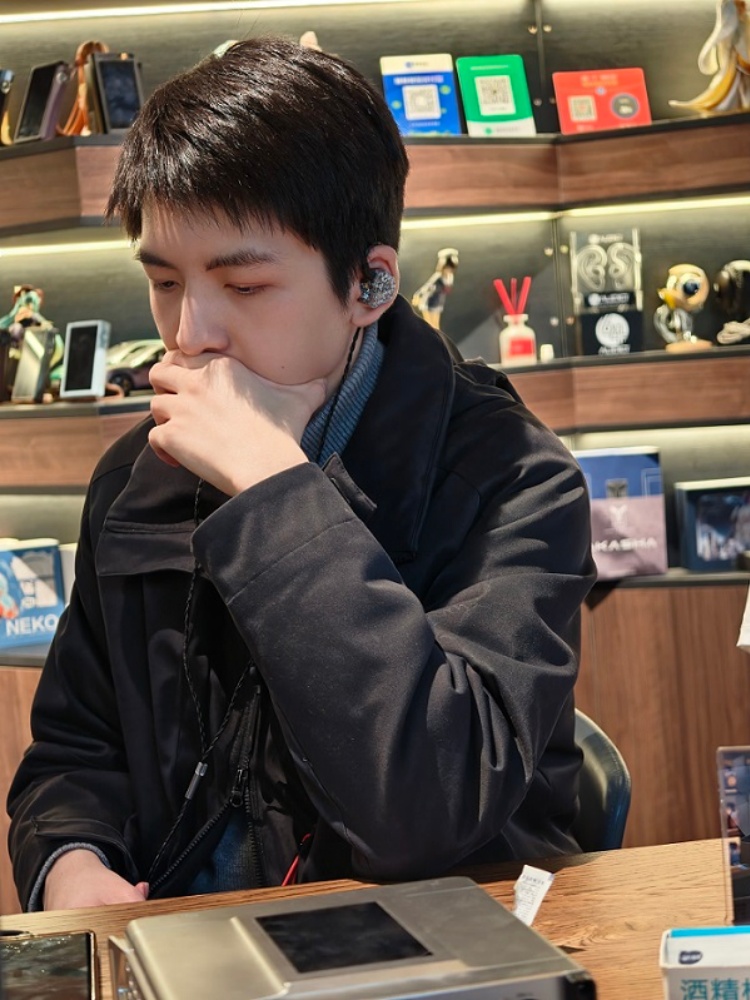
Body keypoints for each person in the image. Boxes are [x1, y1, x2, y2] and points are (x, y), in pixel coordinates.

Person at [7, 36, 595, 912]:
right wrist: (70, 862)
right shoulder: (138, 473)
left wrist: (274, 489)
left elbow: (428, 809)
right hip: (193, 942)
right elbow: (74, 752)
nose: (189, 334)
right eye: (164, 283)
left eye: (244, 287)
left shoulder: (515, 479)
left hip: (441, 937)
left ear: (370, 284)